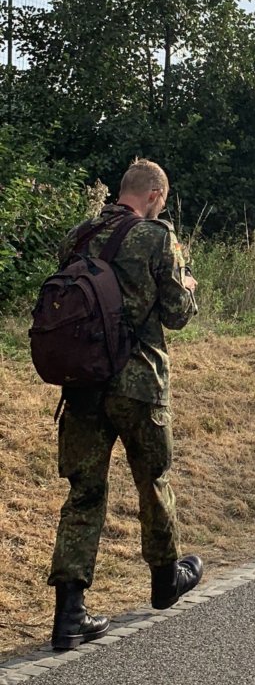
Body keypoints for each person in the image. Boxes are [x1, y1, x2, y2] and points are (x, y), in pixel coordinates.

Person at [48, 159, 203, 651]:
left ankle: (69, 615)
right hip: (138, 384)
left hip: (83, 383)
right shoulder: (157, 237)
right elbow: (177, 315)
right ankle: (165, 580)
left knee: (83, 494)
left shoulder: (78, 235)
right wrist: (189, 287)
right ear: (155, 195)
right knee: (152, 481)